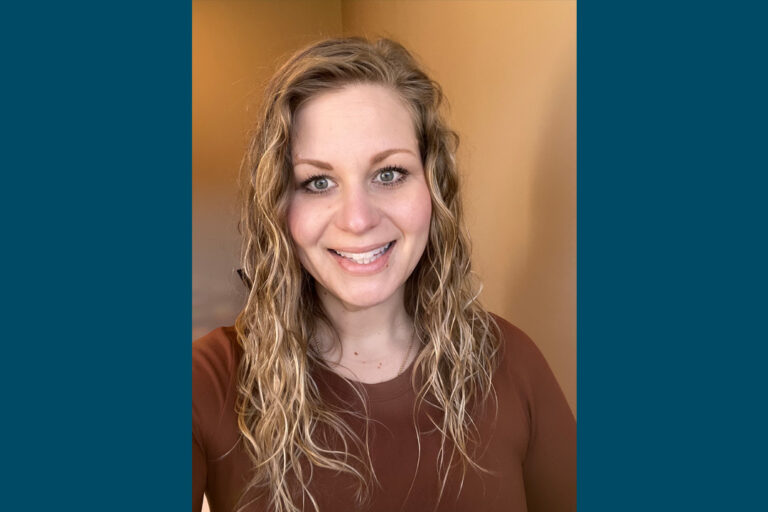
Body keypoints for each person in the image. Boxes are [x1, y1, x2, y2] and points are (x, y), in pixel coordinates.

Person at [193, 37, 576, 512]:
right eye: (318, 182)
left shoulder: (512, 363)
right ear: (278, 206)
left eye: (389, 174)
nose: (357, 219)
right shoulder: (208, 381)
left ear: (434, 187)